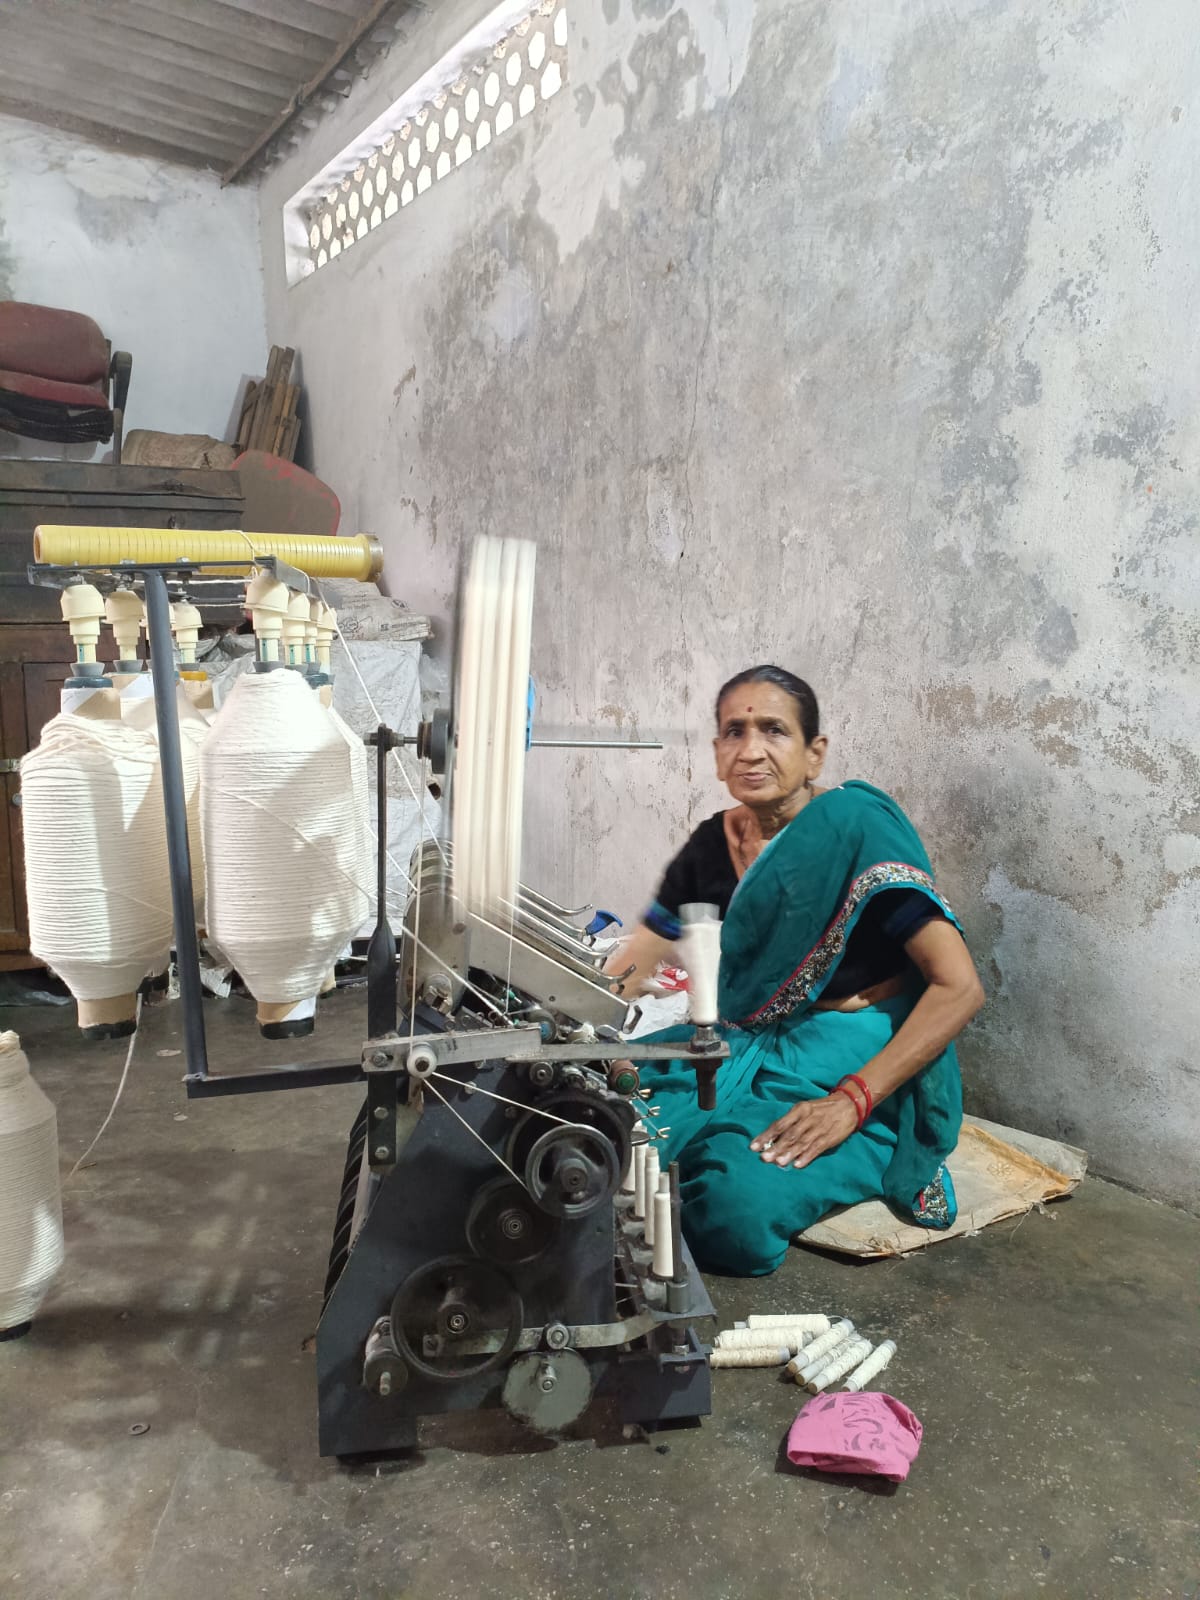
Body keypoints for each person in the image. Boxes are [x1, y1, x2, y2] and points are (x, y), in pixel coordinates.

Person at [607, 666, 984, 1277]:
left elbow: (959, 987)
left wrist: (850, 1103)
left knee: (731, 1212)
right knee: (598, 1130)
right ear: (717, 752)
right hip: (741, 1044)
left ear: (815, 755)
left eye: (774, 731)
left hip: (847, 1059)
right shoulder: (715, 843)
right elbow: (643, 951)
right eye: (734, 731)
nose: (751, 749)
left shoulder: (856, 832)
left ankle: (864, 1142)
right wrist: (578, 1026)